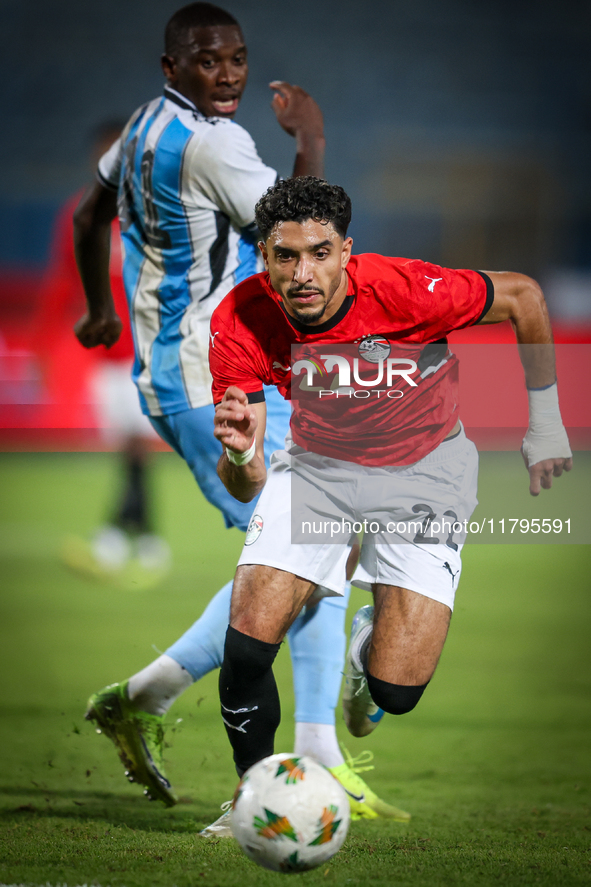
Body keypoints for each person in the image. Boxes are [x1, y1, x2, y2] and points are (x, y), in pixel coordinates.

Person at [73, 2, 402, 836]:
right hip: (212, 378)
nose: (228, 74)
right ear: (170, 67)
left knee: (314, 543)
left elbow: (87, 215)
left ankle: (177, 707)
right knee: (304, 548)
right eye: (208, 60)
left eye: (237, 59)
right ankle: (276, 762)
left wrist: (98, 312)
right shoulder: (217, 145)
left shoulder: (145, 126)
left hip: (187, 373)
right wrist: (314, 138)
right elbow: (302, 228)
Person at [209, 175, 573, 825]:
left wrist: (543, 421)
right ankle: (251, 799)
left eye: (318, 253)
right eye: (284, 255)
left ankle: (362, 652)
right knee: (246, 647)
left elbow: (523, 294)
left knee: (395, 692)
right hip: (318, 468)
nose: (302, 273)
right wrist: (240, 454)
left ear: (346, 251)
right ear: (263, 257)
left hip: (425, 469)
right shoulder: (239, 318)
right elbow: (246, 480)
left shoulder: (406, 289)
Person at [33, 122, 170, 590]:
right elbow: (61, 282)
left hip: (152, 352)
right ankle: (145, 541)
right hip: (108, 357)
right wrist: (42, 345)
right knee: (128, 452)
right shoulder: (82, 212)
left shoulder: (155, 213)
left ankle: (117, 540)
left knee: (138, 448)